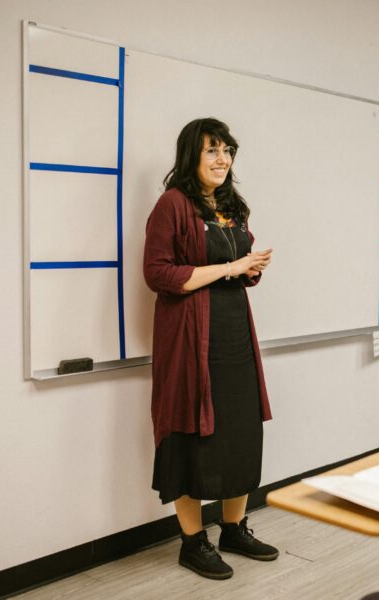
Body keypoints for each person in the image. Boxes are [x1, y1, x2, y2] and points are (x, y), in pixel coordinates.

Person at [143, 117, 276, 580]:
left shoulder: (232, 205)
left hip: (234, 333)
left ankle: (233, 529)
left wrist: (249, 268)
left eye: (227, 150)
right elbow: (158, 274)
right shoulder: (172, 205)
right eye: (212, 151)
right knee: (191, 435)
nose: (223, 159)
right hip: (189, 339)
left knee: (239, 430)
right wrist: (230, 268)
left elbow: (236, 265)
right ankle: (192, 542)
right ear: (191, 156)